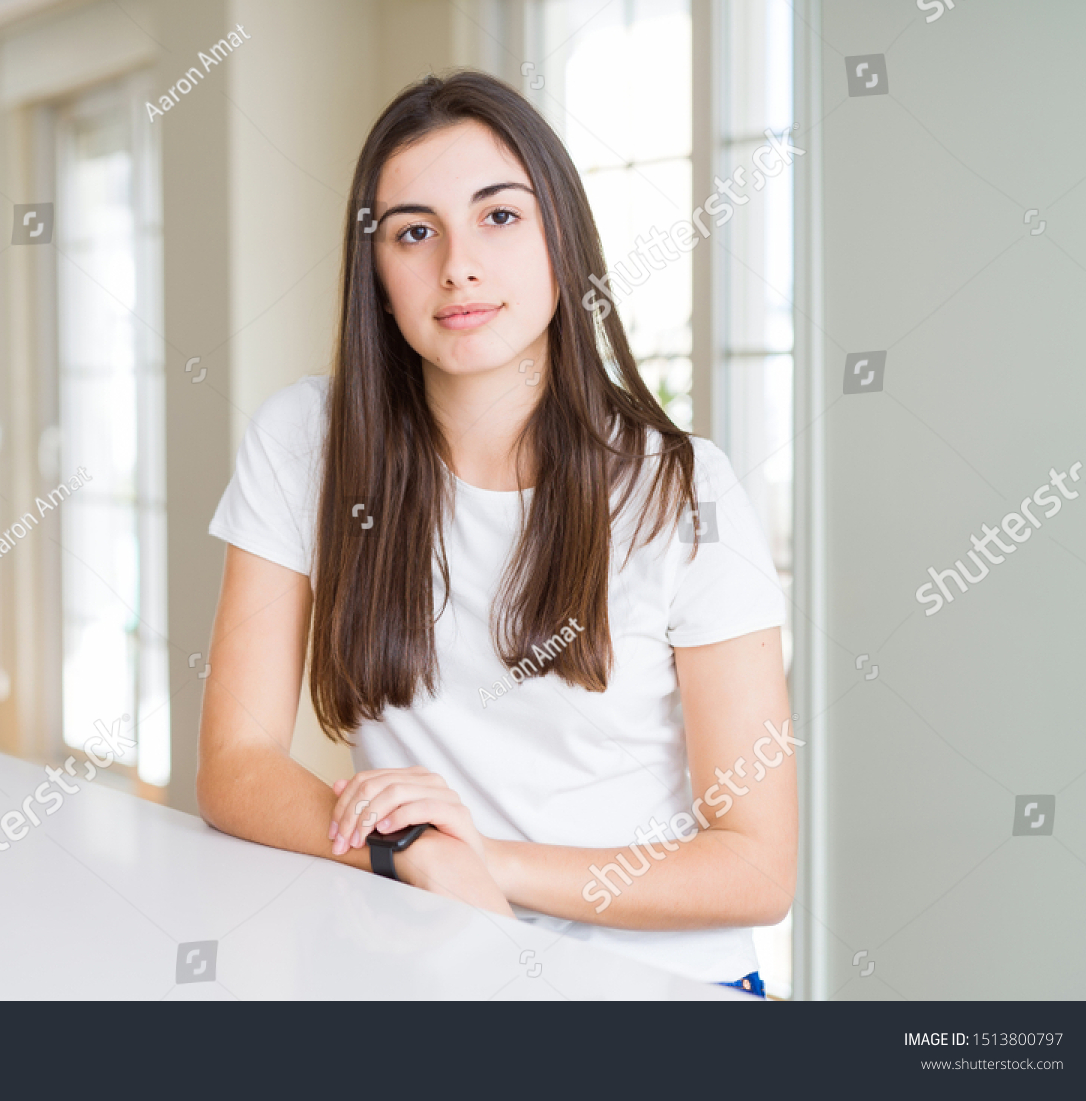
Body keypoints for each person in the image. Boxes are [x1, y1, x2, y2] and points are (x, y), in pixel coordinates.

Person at [197, 69, 795, 996]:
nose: (458, 266)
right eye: (414, 231)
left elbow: (759, 867)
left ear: (564, 238)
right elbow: (235, 764)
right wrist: (410, 862)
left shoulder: (682, 492)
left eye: (500, 217)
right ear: (377, 272)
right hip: (434, 967)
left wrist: (476, 862)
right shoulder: (304, 442)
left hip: (661, 987)